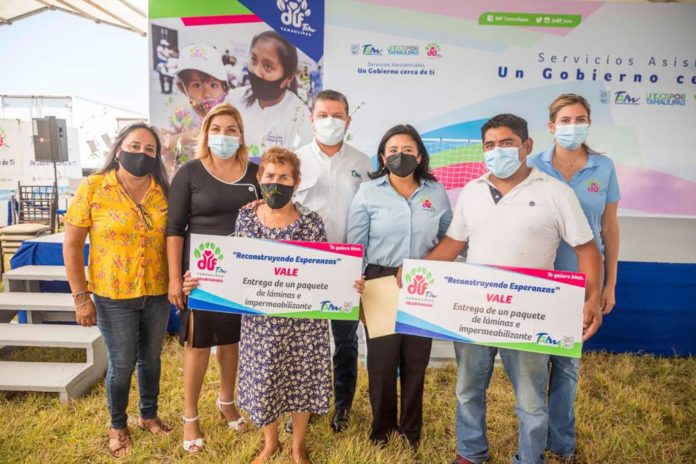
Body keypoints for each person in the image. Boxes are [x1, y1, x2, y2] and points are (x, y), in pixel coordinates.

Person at [416, 114, 603, 464]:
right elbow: (453, 243)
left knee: (531, 401)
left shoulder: (555, 193)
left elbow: (587, 249)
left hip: (529, 314)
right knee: (467, 389)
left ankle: (530, 457)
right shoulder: (472, 191)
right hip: (475, 310)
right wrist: (416, 271)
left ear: (526, 146)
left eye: (506, 143)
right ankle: (470, 452)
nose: (497, 150)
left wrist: (593, 298)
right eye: (490, 145)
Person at [183, 147, 364, 464]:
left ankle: (297, 446)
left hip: (304, 323)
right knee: (265, 379)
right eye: (270, 176)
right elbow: (234, 265)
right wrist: (201, 280)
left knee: (301, 380)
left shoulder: (311, 222)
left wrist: (348, 284)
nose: (276, 183)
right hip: (260, 321)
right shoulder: (246, 217)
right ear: (260, 178)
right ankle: (271, 442)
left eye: (284, 177)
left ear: (296, 182)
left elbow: (327, 271)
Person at [63, 123, 172, 458]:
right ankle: (117, 425)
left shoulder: (163, 192)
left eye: (150, 149)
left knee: (151, 359)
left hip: (156, 291)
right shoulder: (95, 187)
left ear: (156, 156)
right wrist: (81, 297)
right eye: (135, 146)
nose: (141, 153)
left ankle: (148, 415)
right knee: (122, 363)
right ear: (119, 148)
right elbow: (72, 245)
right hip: (113, 296)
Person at [527, 94, 621, 461]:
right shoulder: (531, 165)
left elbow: (609, 228)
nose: (573, 126)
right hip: (537, 281)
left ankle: (562, 443)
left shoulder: (603, 167)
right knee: (535, 367)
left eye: (580, 119)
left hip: (582, 282)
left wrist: (608, 285)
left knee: (566, 367)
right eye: (565, 120)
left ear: (589, 123)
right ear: (551, 126)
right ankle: (533, 440)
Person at [347, 124, 453, 448]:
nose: (400, 155)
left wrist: (428, 266)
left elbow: (450, 237)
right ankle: (382, 431)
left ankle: (410, 433)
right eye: (392, 150)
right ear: (382, 157)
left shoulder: (436, 192)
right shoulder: (368, 192)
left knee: (415, 361)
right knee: (381, 362)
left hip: (423, 280)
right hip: (379, 280)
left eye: (408, 150)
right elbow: (356, 244)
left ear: (419, 156)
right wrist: (358, 293)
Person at [167, 103, 260, 453]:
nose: (224, 135)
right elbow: (174, 229)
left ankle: (227, 402)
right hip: (201, 274)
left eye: (231, 129)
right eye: (216, 129)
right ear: (206, 134)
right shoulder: (189, 173)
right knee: (198, 344)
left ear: (241, 135)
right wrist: (175, 279)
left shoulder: (256, 175)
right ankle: (190, 418)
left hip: (242, 274)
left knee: (232, 341)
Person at [294, 89, 373, 433]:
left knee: (345, 341)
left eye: (337, 116)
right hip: (304, 268)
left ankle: (342, 406)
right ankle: (302, 404)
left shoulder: (363, 163)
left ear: (348, 120)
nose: (330, 121)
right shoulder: (295, 160)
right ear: (311, 120)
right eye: (323, 115)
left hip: (347, 267)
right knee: (304, 342)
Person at [227, 30, 312, 158]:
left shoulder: (301, 118)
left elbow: (300, 162)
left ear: (288, 78)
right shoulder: (234, 100)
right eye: (254, 60)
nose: (256, 71)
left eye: (267, 66)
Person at [161, 44, 230, 172]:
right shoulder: (181, 113)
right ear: (183, 88)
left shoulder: (229, 113)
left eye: (213, 85)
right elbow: (161, 145)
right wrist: (191, 135)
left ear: (224, 88)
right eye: (197, 85)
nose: (206, 94)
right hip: (188, 178)